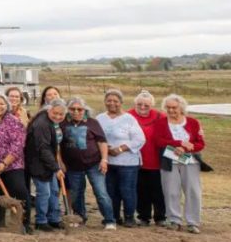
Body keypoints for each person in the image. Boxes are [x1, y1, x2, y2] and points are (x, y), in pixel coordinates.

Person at [60, 97, 115, 230]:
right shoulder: (62, 123)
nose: (76, 112)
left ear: (84, 110)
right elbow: (57, 145)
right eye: (73, 109)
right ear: (68, 110)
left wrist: (104, 159)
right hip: (73, 166)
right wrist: (60, 162)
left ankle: (109, 220)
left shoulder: (92, 123)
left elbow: (102, 142)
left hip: (94, 164)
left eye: (79, 109)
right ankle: (80, 218)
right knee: (76, 193)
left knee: (101, 192)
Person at [0, 94, 30, 231]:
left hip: (11, 165)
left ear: (6, 105)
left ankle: (24, 222)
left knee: (19, 191)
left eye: (1, 104)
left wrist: (4, 163)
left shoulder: (14, 121)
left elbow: (18, 145)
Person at [96, 89, 145, 227]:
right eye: (109, 100)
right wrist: (105, 150)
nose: (112, 103)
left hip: (127, 162)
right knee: (110, 191)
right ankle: (114, 216)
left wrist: (121, 148)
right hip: (107, 161)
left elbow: (140, 139)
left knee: (127, 190)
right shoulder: (100, 118)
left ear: (121, 102)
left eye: (115, 101)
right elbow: (96, 137)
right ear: (105, 102)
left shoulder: (129, 119)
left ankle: (129, 217)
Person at [158, 94, 205, 233]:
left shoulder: (193, 122)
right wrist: (178, 144)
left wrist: (185, 148)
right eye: (168, 108)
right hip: (169, 161)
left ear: (181, 108)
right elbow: (158, 141)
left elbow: (200, 143)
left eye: (174, 107)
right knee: (171, 191)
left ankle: (193, 222)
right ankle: (174, 220)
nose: (171, 110)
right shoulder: (161, 122)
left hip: (190, 161)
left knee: (193, 191)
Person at [25, 98, 66, 232]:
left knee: (54, 191)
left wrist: (55, 165)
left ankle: (54, 218)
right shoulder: (42, 124)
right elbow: (43, 149)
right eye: (55, 113)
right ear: (49, 110)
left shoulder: (50, 122)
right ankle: (40, 221)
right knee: (44, 193)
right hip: (38, 164)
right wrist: (56, 168)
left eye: (61, 114)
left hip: (48, 163)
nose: (58, 116)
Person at [131, 90, 166, 226]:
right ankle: (143, 217)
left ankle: (160, 217)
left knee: (158, 191)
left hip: (157, 161)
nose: (143, 107)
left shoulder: (160, 117)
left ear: (152, 104)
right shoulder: (129, 116)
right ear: (135, 104)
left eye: (146, 105)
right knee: (141, 191)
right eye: (139, 104)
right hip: (136, 161)